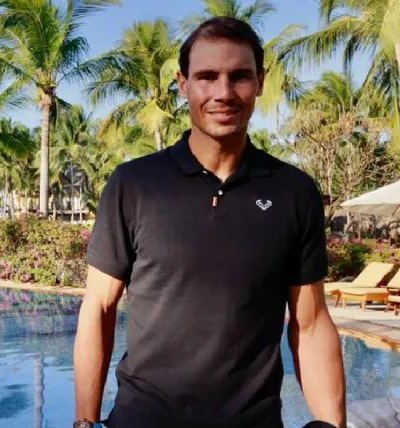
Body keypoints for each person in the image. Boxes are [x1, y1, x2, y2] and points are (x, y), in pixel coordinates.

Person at [73, 16, 346, 428]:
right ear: (183, 84)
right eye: (206, 77)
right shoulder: (134, 184)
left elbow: (309, 325)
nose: (223, 92)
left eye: (239, 76)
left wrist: (333, 425)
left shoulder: (294, 191)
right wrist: (83, 421)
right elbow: (99, 306)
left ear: (260, 82)